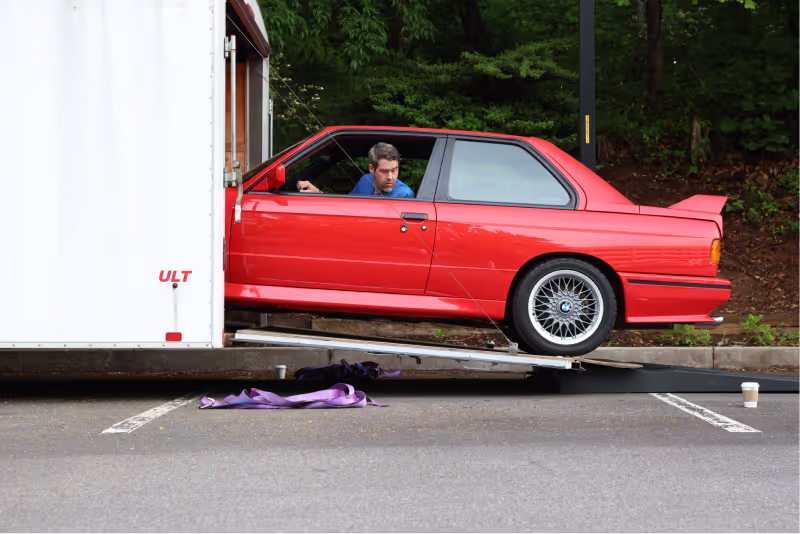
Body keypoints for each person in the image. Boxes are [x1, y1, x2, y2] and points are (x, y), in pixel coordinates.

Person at [296, 142, 415, 198]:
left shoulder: (404, 195)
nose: (390, 177)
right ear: (371, 169)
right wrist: (318, 194)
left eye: (394, 170)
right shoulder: (365, 180)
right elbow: (347, 208)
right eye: (384, 171)